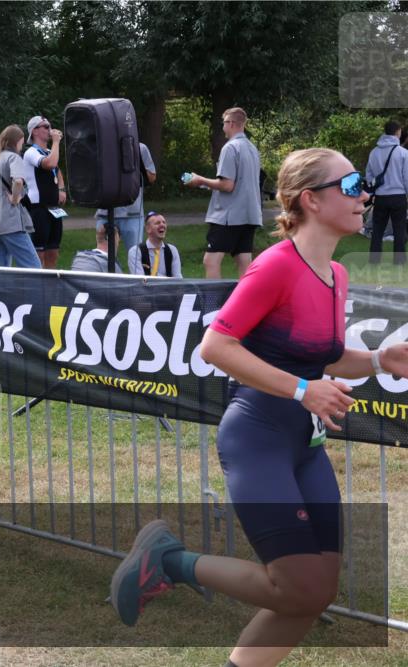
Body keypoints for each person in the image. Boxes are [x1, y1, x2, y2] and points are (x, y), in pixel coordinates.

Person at [111, 148, 408, 666]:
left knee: (314, 593)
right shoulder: (275, 266)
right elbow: (215, 347)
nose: (366, 194)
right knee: (295, 587)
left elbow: (328, 355)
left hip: (304, 444)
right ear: (311, 200)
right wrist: (300, 389)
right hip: (258, 439)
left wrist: (381, 357)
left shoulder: (335, 275)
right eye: (353, 182)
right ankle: (170, 561)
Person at [185, 107, 263, 279]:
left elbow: (227, 185)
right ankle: (246, 303)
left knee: (211, 261)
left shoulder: (230, 148)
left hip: (229, 216)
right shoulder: (252, 149)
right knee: (244, 261)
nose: (223, 127)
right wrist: (207, 185)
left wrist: (200, 180)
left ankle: (214, 304)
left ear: (232, 124)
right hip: (250, 214)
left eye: (224, 123)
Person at [0, 125, 41, 268]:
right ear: (18, 140)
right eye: (22, 141)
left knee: (0, 271)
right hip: (9, 222)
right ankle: (36, 291)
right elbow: (18, 181)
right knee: (34, 267)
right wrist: (15, 198)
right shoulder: (13, 157)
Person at [22, 115, 67, 268]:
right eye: (46, 127)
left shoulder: (49, 150)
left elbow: (57, 169)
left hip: (54, 208)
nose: (50, 129)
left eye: (50, 126)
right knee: (38, 253)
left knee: (53, 251)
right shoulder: (31, 153)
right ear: (34, 131)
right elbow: (50, 164)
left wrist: (61, 189)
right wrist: (56, 142)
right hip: (38, 208)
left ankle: (50, 286)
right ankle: (37, 285)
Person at [94, 142, 156, 250]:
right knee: (104, 257)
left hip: (132, 213)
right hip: (105, 212)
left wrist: (135, 165)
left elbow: (152, 177)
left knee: (135, 256)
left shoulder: (139, 147)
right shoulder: (102, 145)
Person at [365, 120, 408, 264]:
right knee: (399, 230)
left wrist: (372, 194)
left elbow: (369, 176)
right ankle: (399, 262)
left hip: (381, 197)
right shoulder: (403, 153)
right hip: (398, 196)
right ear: (397, 132)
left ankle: (374, 261)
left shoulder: (374, 152)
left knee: (377, 230)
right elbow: (406, 177)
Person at [127, 211, 182, 278]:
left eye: (164, 222)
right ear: (148, 229)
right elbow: (140, 280)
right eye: (157, 223)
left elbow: (178, 278)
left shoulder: (172, 250)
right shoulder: (135, 252)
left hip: (168, 288)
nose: (162, 225)